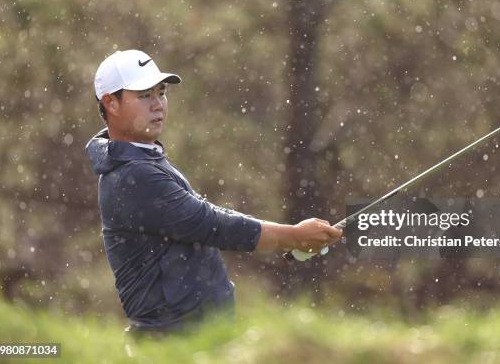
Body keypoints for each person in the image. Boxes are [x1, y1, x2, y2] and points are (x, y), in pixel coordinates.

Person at [85, 49, 341, 336]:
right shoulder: (133, 175)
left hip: (192, 337)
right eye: (145, 95)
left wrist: (292, 237)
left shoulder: (144, 159)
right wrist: (293, 236)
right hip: (170, 342)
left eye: (161, 92)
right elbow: (211, 224)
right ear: (111, 104)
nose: (158, 105)